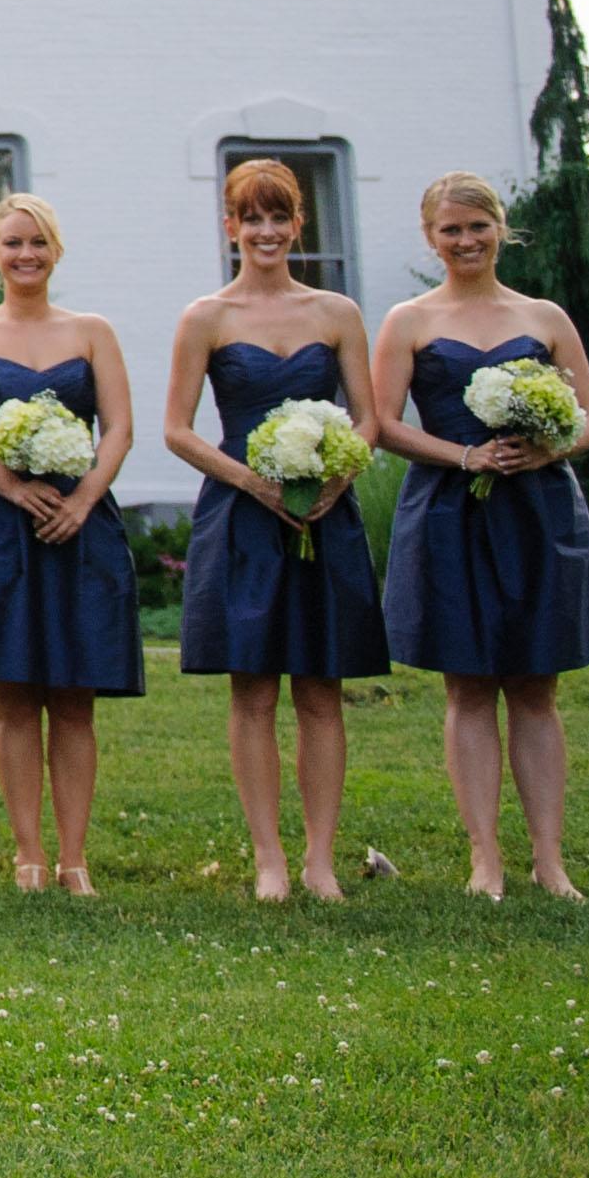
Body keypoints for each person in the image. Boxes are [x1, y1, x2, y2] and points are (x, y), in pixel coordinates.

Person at [371, 170, 589, 901]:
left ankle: (550, 859)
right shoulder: (408, 320)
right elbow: (382, 423)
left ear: (500, 228)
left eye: (477, 226)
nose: (466, 240)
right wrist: (464, 456)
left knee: (537, 687)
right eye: (450, 229)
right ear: (431, 237)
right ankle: (486, 858)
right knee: (469, 685)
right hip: (449, 511)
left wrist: (549, 446)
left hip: (539, 511)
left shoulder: (544, 316)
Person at [165, 156, 385, 901]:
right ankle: (270, 860)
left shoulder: (337, 313)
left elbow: (369, 418)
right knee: (253, 690)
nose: (265, 231)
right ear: (229, 225)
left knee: (321, 688)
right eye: (250, 217)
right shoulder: (206, 317)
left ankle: (320, 859)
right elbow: (176, 429)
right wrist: (254, 482)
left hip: (324, 511)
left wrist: (337, 476)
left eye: (278, 216)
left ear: (298, 223)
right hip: (241, 514)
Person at [0, 193, 144, 894]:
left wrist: (83, 499)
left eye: (38, 242)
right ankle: (29, 855)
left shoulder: (93, 332)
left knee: (75, 695)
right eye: (13, 242)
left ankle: (75, 857)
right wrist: (14, 489)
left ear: (56, 251)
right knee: (13, 692)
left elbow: (119, 429)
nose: (26, 254)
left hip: (78, 525)